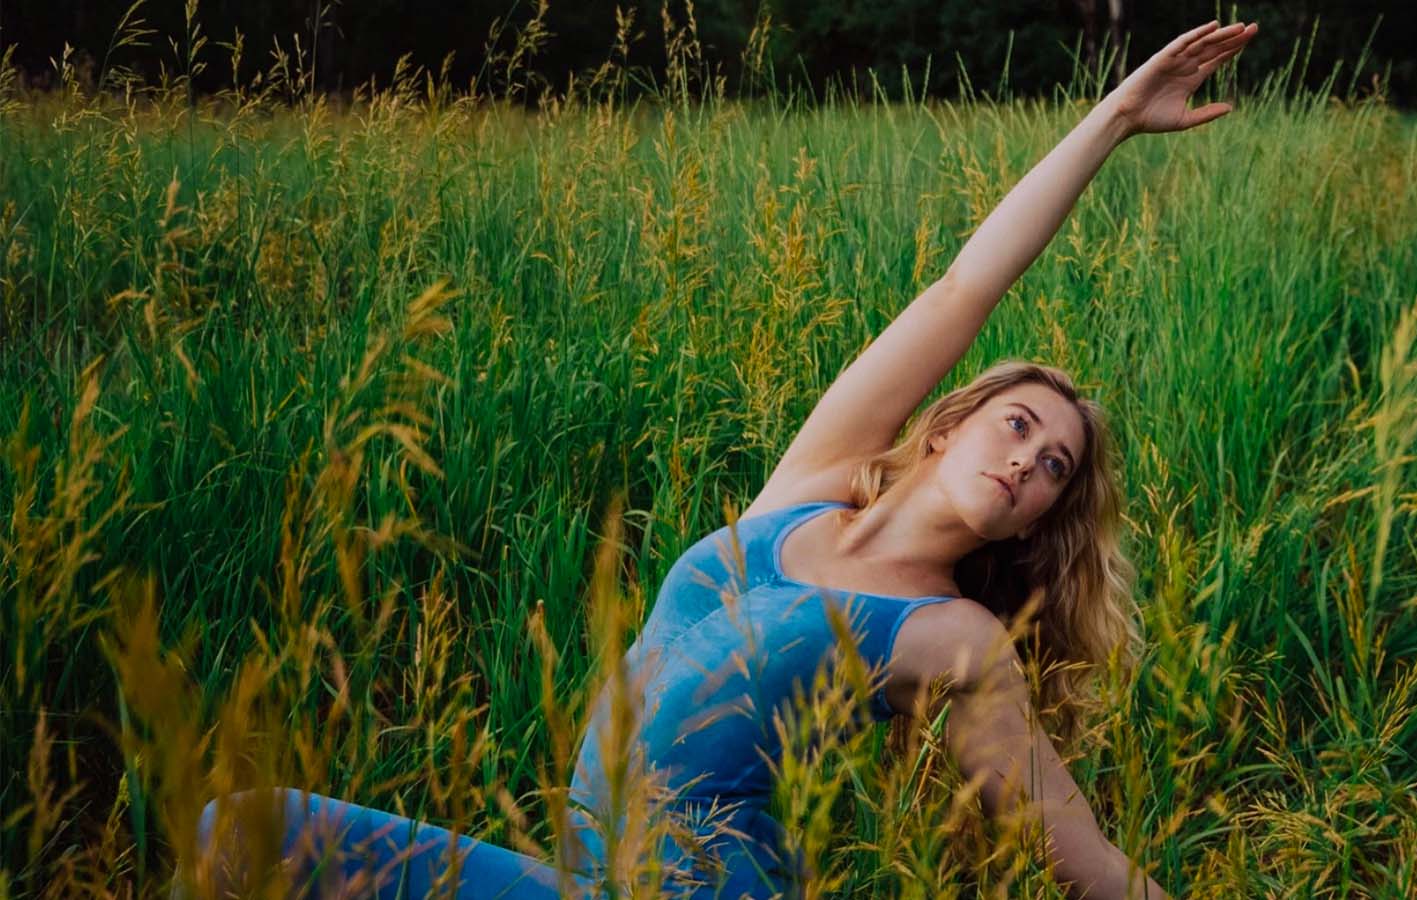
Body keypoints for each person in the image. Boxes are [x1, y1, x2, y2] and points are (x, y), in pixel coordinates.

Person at [186, 19, 1260, 900]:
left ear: (1032, 524)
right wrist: (1113, 117)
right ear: (946, 428)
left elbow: (1079, 859)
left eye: (1058, 468)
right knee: (242, 831)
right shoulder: (808, 489)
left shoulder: (955, 638)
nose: (1031, 460)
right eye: (1017, 425)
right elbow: (960, 290)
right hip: (579, 873)